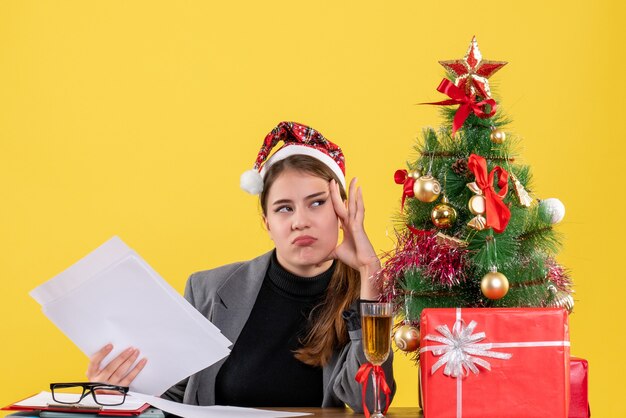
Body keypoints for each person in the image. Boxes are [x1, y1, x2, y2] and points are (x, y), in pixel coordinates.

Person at [85, 122, 395, 411]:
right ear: (267, 223)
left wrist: (370, 275)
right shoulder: (207, 289)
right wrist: (118, 394)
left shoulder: (362, 299)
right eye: (284, 208)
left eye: (317, 203)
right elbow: (176, 398)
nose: (300, 221)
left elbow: (371, 403)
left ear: (342, 211)